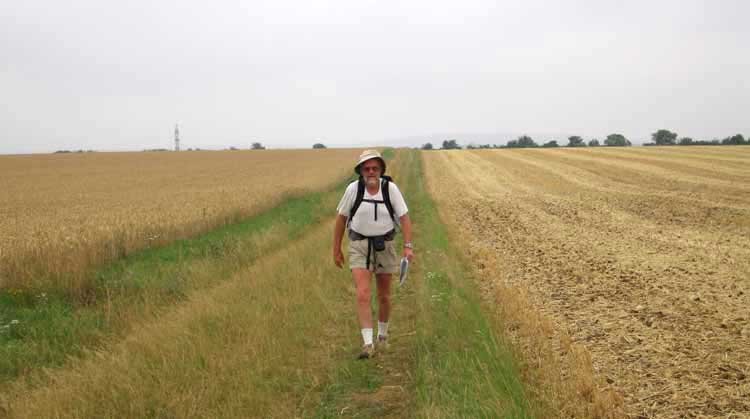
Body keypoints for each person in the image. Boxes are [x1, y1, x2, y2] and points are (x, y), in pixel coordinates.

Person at [333, 150, 414, 359]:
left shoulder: (390, 189)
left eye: (375, 168)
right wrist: (336, 249)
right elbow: (341, 219)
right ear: (361, 171)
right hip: (359, 244)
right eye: (366, 168)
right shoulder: (353, 189)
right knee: (363, 293)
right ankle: (368, 344)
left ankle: (383, 337)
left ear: (381, 170)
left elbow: (404, 218)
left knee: (384, 295)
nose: (371, 172)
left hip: (385, 245)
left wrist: (408, 246)